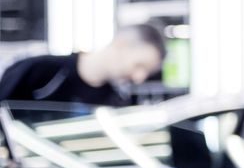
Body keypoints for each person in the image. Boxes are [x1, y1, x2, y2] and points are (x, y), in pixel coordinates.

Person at [0, 24, 166, 108]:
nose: (139, 78)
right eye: (139, 65)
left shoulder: (116, 104)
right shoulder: (41, 70)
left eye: (146, 72)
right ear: (120, 45)